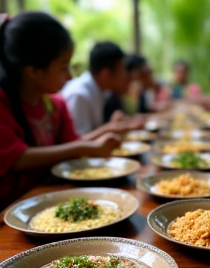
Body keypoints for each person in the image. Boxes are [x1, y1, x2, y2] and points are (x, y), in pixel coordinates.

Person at [0, 12, 120, 211]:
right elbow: (17, 159)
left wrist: (105, 133)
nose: (70, 77)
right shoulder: (3, 104)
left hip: (49, 204)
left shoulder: (56, 105)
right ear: (33, 71)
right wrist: (86, 148)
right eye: (63, 67)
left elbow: (71, 144)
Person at [61, 42, 143, 136]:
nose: (125, 76)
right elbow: (77, 142)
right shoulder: (79, 95)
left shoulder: (102, 91)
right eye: (122, 71)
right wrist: (110, 127)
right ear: (106, 74)